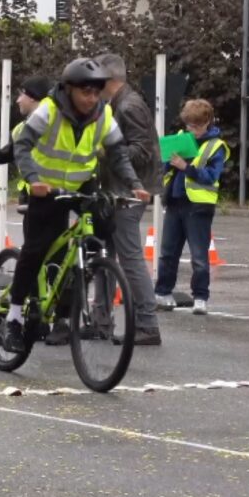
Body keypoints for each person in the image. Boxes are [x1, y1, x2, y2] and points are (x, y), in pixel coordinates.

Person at [2, 57, 151, 353]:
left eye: (96, 92)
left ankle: (67, 308)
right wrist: (33, 180)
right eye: (85, 92)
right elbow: (22, 146)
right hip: (47, 187)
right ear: (69, 90)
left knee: (97, 238)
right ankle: (14, 317)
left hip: (82, 183)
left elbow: (118, 153)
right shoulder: (49, 110)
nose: (91, 98)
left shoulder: (103, 115)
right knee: (36, 249)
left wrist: (135, 184)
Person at [96, 54, 164, 345]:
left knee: (130, 257)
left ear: (108, 80)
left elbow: (142, 150)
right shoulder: (117, 104)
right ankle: (100, 321)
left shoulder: (129, 105)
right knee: (104, 255)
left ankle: (147, 325)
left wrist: (105, 153)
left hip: (129, 193)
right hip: (117, 191)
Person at [154, 99, 227, 316]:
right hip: (175, 202)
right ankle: (163, 292)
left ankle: (201, 297)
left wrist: (187, 167)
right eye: (189, 126)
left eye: (196, 126)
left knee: (199, 256)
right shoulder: (180, 138)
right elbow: (164, 167)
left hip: (199, 206)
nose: (191, 130)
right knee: (168, 252)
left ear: (207, 122)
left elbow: (211, 176)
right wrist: (168, 160)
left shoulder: (216, 146)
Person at [0, 75, 53, 207]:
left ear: (32, 97)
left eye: (21, 95)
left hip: (41, 192)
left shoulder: (36, 124)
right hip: (46, 189)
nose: (18, 100)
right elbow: (11, 151)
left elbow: (11, 150)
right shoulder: (29, 125)